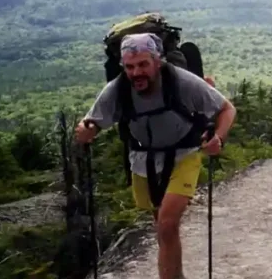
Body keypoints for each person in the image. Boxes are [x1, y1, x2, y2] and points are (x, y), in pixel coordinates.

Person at [75, 33, 236, 279]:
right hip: (143, 161)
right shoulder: (118, 89)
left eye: (142, 65)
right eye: (129, 67)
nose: (136, 72)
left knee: (167, 224)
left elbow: (226, 109)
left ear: (157, 61)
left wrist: (219, 138)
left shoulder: (182, 82)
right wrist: (87, 131)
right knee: (162, 228)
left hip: (185, 153)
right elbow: (93, 123)